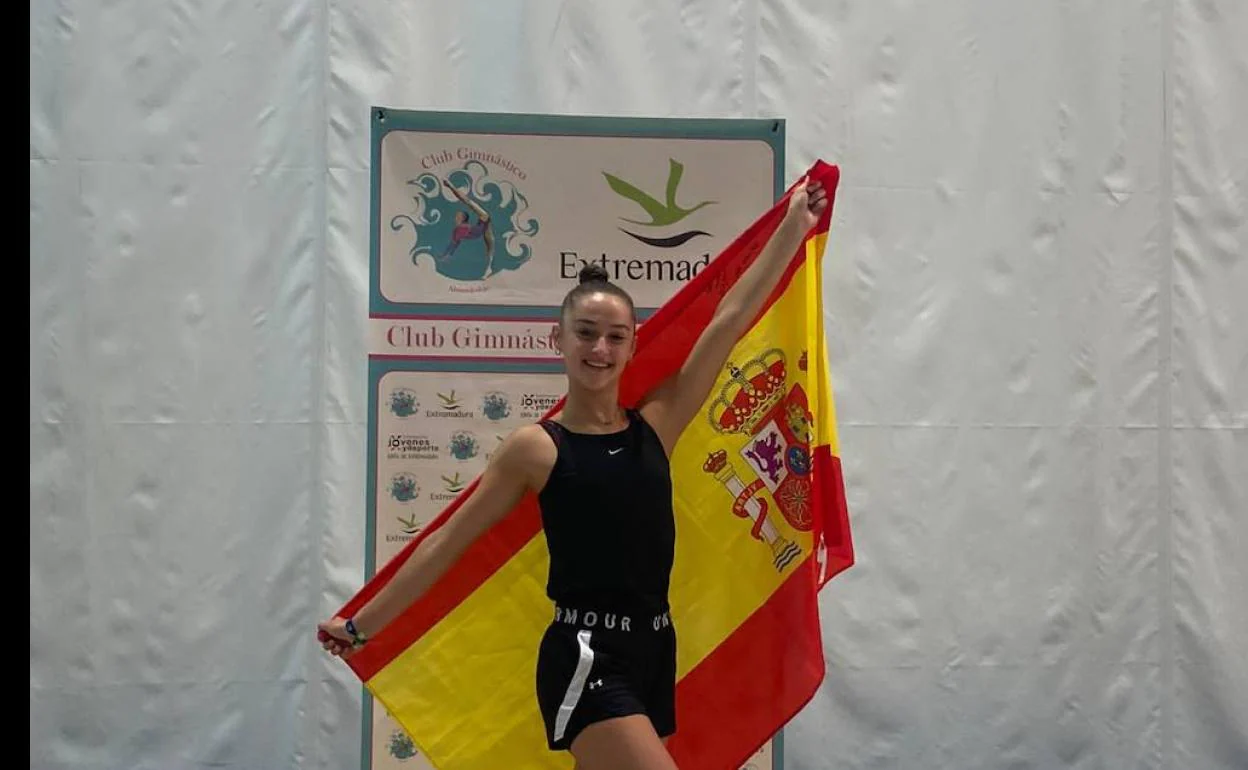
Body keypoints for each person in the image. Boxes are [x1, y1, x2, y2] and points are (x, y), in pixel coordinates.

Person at [320, 177, 828, 770]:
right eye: (586, 334)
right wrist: (360, 626)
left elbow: (729, 319)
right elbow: (444, 545)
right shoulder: (535, 450)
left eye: (616, 337)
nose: (600, 349)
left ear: (633, 347)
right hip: (585, 655)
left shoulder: (658, 427)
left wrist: (794, 227)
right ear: (557, 339)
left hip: (653, 649)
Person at [438, 178, 495, 267]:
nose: (455, 218)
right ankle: (489, 258)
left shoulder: (461, 228)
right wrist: (446, 255)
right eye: (456, 216)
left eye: (458, 216)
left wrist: (450, 186)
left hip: (483, 218)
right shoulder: (458, 230)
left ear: (462, 218)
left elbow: (454, 244)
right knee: (490, 244)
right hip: (482, 225)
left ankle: (451, 186)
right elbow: (454, 243)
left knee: (468, 202)